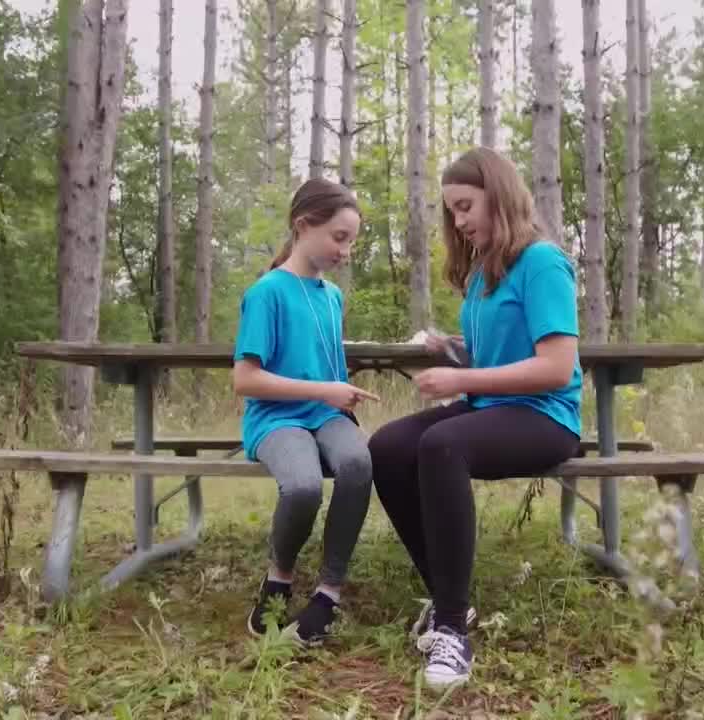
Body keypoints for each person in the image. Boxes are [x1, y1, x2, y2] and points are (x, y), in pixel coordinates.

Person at [368, 147, 583, 689]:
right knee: (388, 447)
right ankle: (449, 601)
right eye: (452, 213)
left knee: (442, 445)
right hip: (492, 407)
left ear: (500, 195)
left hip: (545, 418)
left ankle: (450, 631)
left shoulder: (543, 263)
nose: (459, 222)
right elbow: (500, 356)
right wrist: (454, 349)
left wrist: (461, 380)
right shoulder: (484, 274)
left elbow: (555, 367)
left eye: (465, 207)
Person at [233, 178, 380, 646]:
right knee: (302, 486)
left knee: (358, 462)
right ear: (303, 226)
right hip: (277, 419)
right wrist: (323, 390)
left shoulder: (332, 297)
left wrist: (340, 395)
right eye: (340, 237)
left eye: (352, 241)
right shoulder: (267, 292)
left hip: (326, 417)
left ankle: (327, 595)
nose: (347, 250)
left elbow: (323, 365)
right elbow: (245, 380)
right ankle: (278, 578)